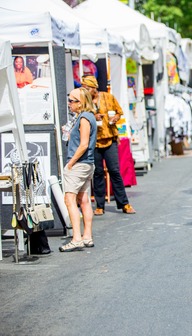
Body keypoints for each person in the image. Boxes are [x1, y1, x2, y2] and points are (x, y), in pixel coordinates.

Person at [81, 75, 136, 216]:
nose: (85, 91)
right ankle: (100, 205)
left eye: (87, 88)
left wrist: (115, 118)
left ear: (94, 87)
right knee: (98, 173)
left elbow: (119, 112)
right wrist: (93, 117)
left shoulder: (107, 97)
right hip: (95, 141)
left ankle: (124, 203)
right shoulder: (84, 102)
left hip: (110, 139)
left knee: (115, 171)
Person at [59, 88, 97, 252]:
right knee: (83, 199)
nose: (69, 104)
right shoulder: (85, 117)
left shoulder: (84, 118)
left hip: (79, 163)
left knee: (70, 199)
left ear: (81, 102)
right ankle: (86, 236)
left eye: (72, 100)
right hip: (86, 163)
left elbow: (83, 144)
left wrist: (71, 163)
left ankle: (76, 238)